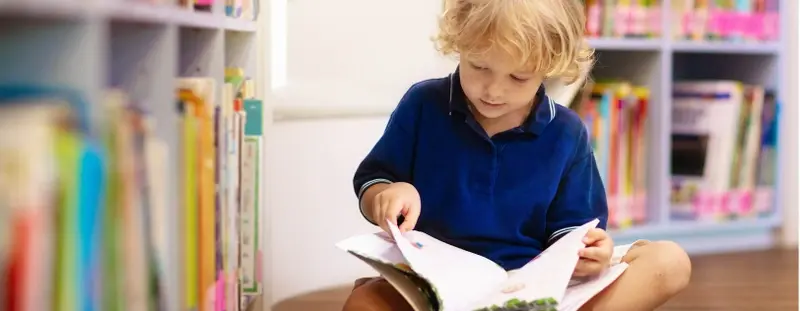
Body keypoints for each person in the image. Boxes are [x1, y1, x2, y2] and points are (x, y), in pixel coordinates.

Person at [345, 0, 692, 310]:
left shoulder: (566, 132)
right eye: (479, 67)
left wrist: (592, 255)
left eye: (518, 77)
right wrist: (386, 194)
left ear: (550, 65)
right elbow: (373, 182)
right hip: (436, 288)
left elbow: (574, 234)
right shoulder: (423, 104)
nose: (494, 90)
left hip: (534, 290)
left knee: (670, 262)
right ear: (460, 42)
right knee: (364, 303)